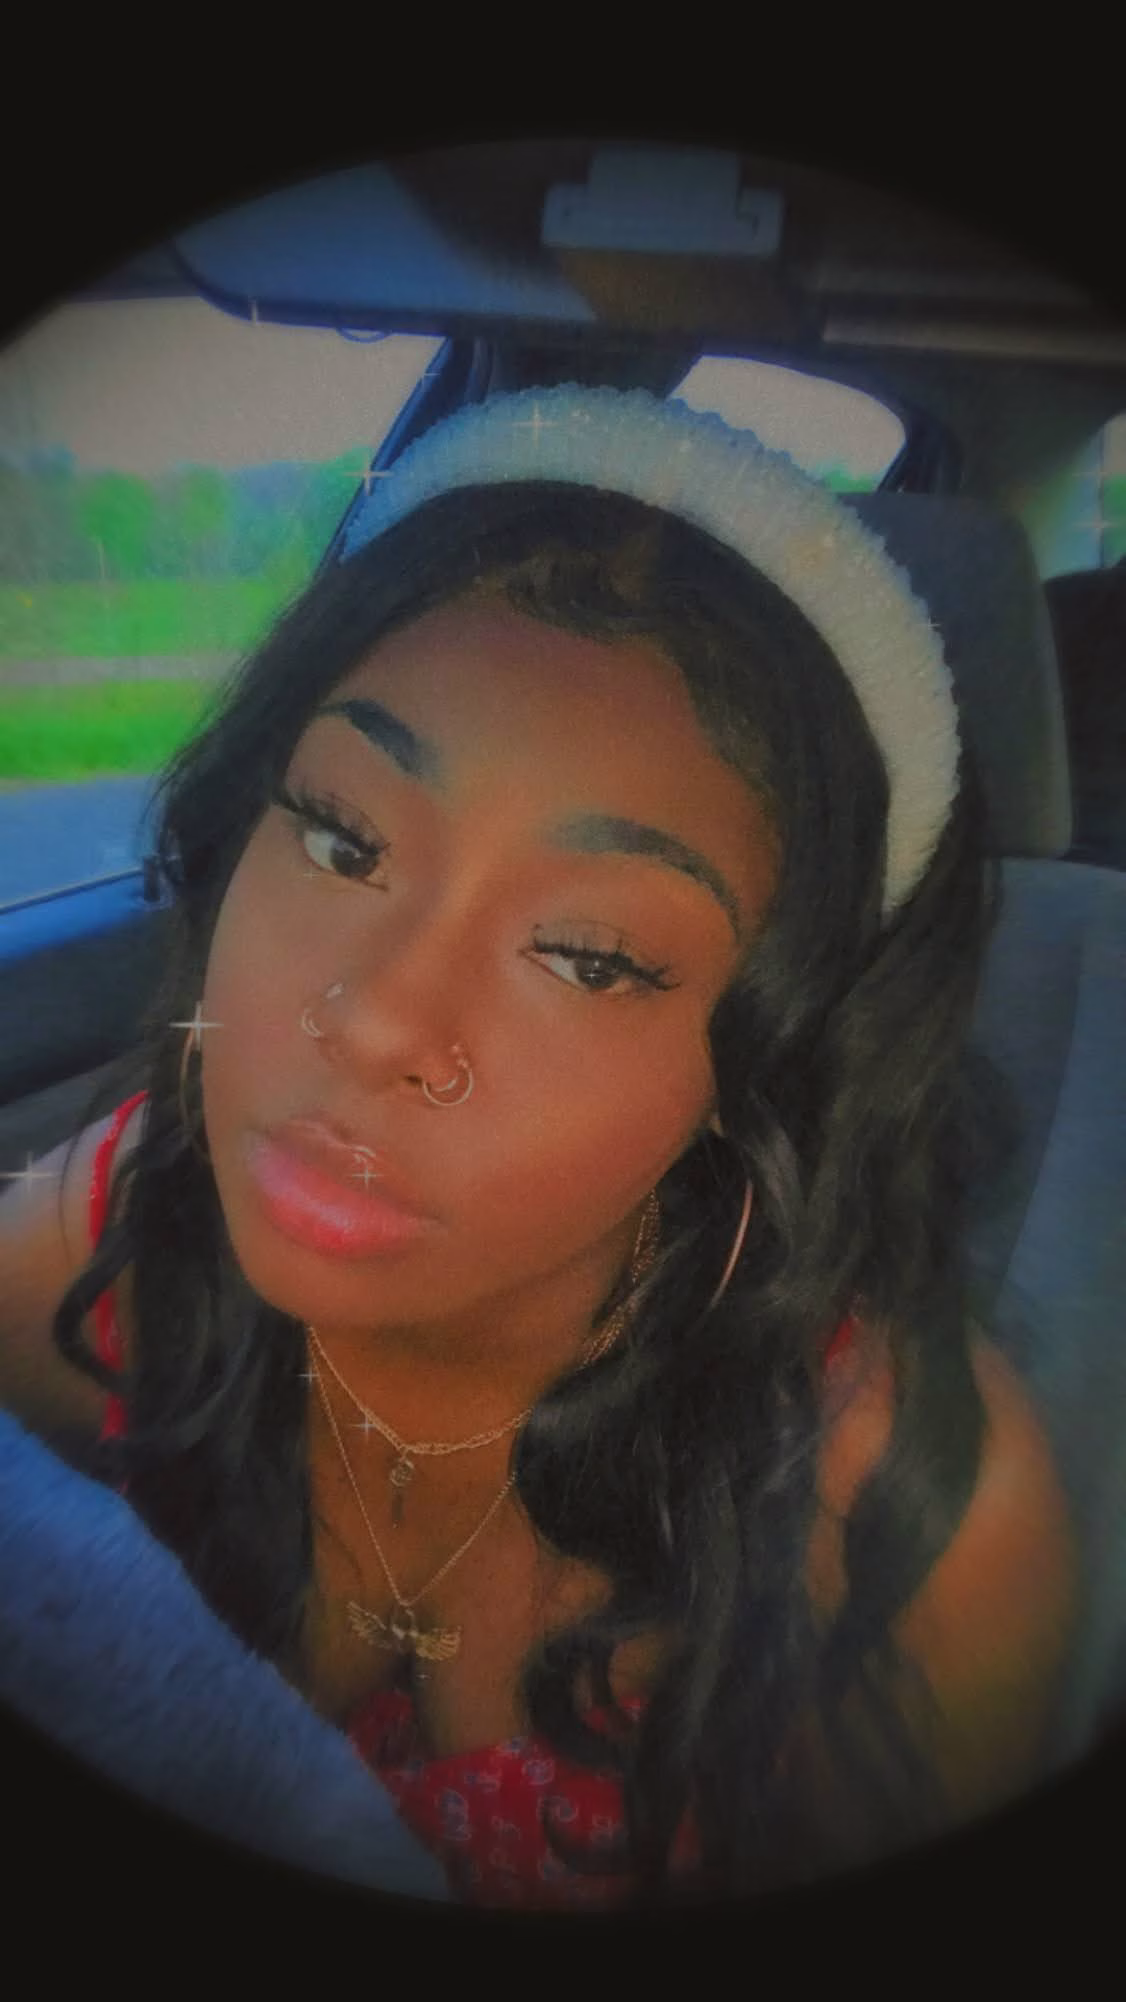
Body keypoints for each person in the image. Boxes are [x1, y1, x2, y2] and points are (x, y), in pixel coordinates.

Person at [0, 384, 1077, 1912]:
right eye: (341, 835)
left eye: (588, 955)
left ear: (760, 1062)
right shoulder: (122, 1222)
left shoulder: (901, 1522)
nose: (374, 1019)